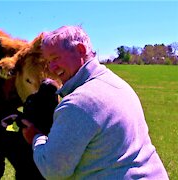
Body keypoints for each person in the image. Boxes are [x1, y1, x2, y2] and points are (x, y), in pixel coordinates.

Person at [22, 26, 169, 179]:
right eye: (48, 62)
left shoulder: (78, 103)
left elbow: (53, 170)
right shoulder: (116, 83)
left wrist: (35, 137)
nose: (52, 68)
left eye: (55, 58)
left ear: (80, 49)